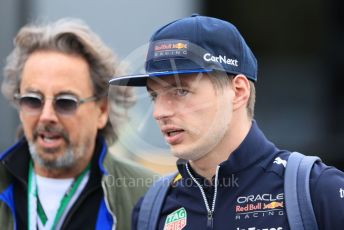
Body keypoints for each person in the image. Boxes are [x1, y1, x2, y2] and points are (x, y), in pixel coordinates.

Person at [109, 15, 344, 229]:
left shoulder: (319, 191)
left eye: (180, 91)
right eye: (154, 95)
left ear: (238, 92)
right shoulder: (152, 210)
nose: (159, 112)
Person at [0, 18, 156, 229]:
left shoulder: (150, 197)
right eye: (32, 100)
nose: (47, 116)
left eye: (65, 102)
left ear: (102, 110)